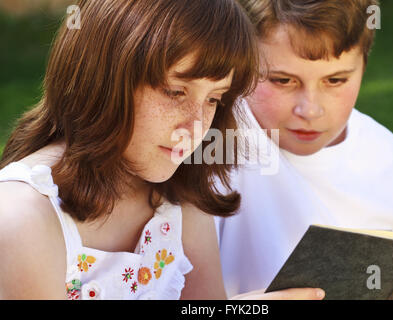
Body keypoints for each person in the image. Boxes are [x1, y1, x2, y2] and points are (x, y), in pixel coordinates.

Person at [0, 0, 323, 300]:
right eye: (175, 92)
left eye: (214, 99)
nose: (197, 125)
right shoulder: (21, 219)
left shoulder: (179, 199)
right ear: (101, 79)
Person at [216, 0, 393, 298]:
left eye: (335, 80)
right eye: (283, 80)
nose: (310, 110)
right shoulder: (209, 152)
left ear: (364, 64)